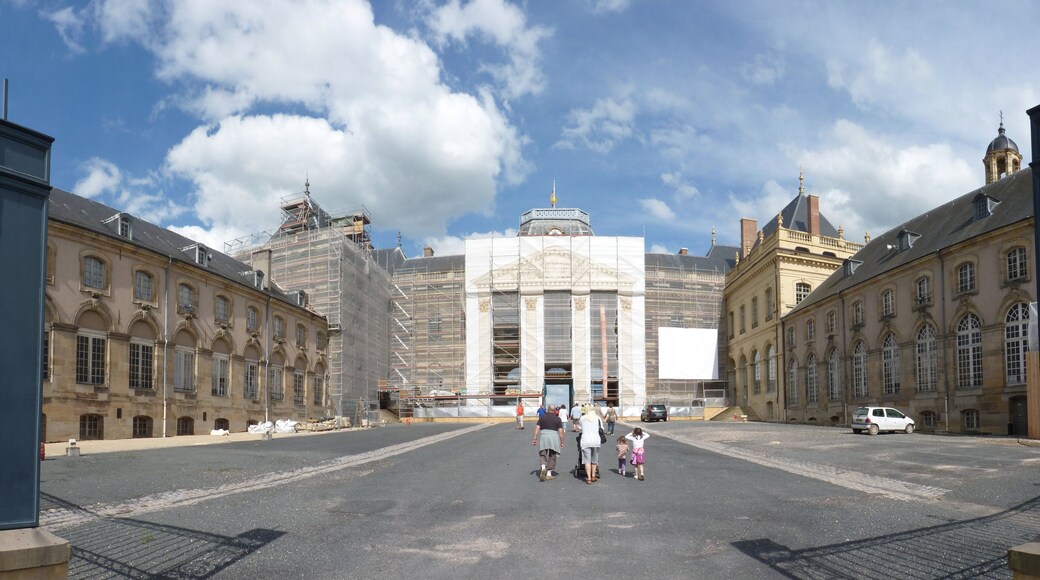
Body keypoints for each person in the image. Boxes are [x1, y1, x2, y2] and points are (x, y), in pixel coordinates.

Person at [533, 405, 565, 481]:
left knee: (543, 452)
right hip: (553, 437)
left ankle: (543, 467)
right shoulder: (558, 419)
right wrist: (562, 441)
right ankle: (548, 473)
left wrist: (535, 438)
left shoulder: (542, 417)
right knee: (552, 455)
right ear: (554, 411)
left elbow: (537, 428)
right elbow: (560, 431)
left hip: (544, 436)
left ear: (547, 410)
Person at [578, 406, 605, 484]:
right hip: (596, 441)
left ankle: (589, 478)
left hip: (585, 441)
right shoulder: (598, 418)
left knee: (587, 460)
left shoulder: (582, 418)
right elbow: (601, 429)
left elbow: (580, 428)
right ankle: (593, 475)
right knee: (594, 459)